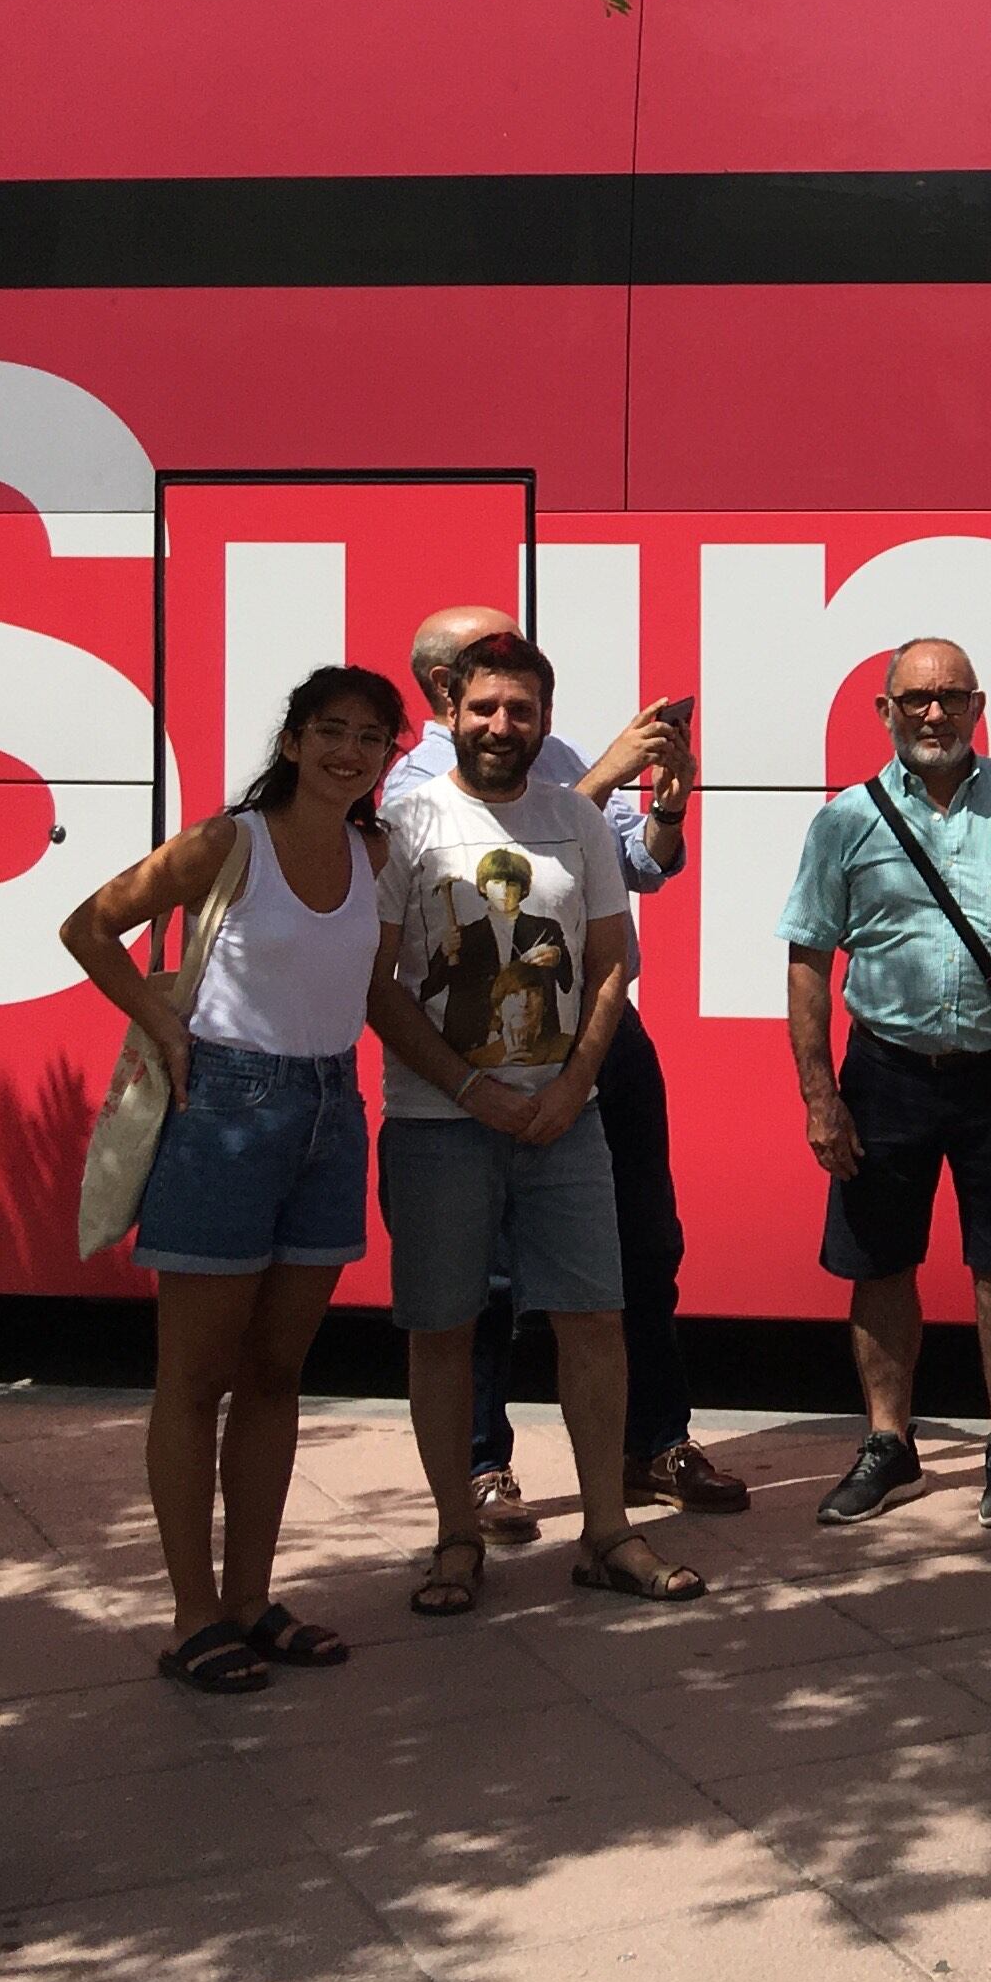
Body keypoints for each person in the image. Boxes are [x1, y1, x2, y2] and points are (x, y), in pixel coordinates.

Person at [59, 665, 408, 1693]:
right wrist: (164, 1020)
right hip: (225, 1112)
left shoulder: (373, 849)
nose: (350, 752)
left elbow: (368, 983)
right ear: (293, 741)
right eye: (331, 732)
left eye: (371, 738)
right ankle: (192, 1617)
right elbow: (91, 923)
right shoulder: (230, 842)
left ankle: (252, 1600)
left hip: (330, 1116)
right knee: (197, 1377)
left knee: (275, 1374)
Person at [396, 606, 747, 1538]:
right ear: (446, 691)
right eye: (486, 692)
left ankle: (653, 1443)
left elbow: (636, 867)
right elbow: (503, 853)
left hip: (592, 1034)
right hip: (473, 1055)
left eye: (523, 700)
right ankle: (482, 1469)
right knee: (488, 1285)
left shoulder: (563, 761)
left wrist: (666, 800)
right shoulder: (412, 784)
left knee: (641, 1248)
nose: (507, 719)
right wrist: (603, 778)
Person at [780, 637, 991, 1533]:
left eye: (949, 698)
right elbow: (807, 959)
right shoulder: (845, 820)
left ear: (978, 705)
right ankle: (888, 1444)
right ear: (885, 710)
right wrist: (820, 1098)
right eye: (915, 700)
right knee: (877, 1262)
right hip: (886, 1073)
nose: (933, 715)